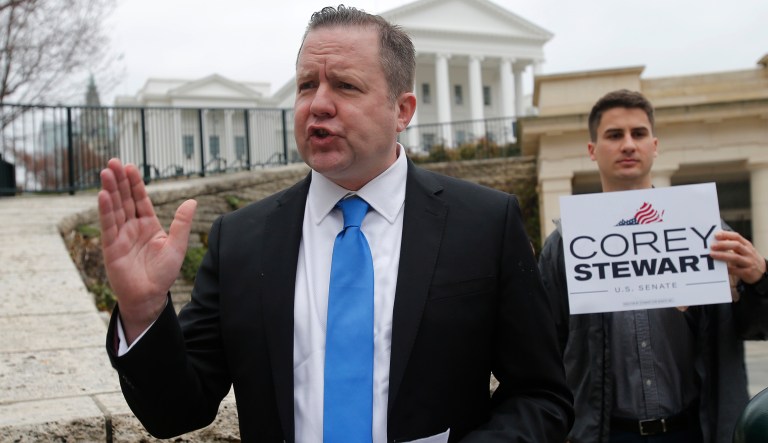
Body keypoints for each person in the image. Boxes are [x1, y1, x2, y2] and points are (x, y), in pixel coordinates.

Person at [98, 6, 573, 442]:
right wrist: (142, 311)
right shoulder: (241, 240)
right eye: (307, 85)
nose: (317, 104)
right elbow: (176, 413)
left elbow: (541, 397)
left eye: (344, 85)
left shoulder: (486, 224)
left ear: (402, 110)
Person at [538, 89, 768, 443]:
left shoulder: (709, 229)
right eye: (614, 135)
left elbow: (756, 327)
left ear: (655, 146)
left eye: (639, 134)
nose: (628, 144)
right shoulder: (566, 244)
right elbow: (546, 346)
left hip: (695, 429)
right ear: (592, 150)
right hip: (605, 434)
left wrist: (759, 280)